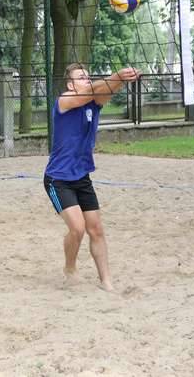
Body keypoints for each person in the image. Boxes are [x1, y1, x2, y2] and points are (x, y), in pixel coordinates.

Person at [43, 62, 141, 291]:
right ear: (70, 84)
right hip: (58, 179)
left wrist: (124, 78)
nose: (86, 80)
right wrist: (116, 75)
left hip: (82, 177)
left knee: (96, 229)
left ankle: (106, 281)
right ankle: (70, 268)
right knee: (77, 228)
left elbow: (105, 90)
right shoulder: (64, 101)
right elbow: (93, 89)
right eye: (81, 77)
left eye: (88, 76)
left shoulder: (94, 102)